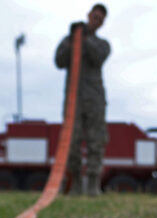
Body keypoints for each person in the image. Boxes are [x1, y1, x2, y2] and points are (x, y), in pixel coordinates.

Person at [55, 3, 110, 196]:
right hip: (73, 102)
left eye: (100, 19)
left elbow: (98, 58)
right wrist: (73, 40)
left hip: (95, 100)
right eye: (95, 16)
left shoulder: (103, 44)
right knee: (72, 142)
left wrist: (85, 38)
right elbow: (59, 61)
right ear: (89, 15)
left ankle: (93, 185)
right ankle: (75, 183)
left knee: (96, 142)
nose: (96, 21)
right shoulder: (70, 39)